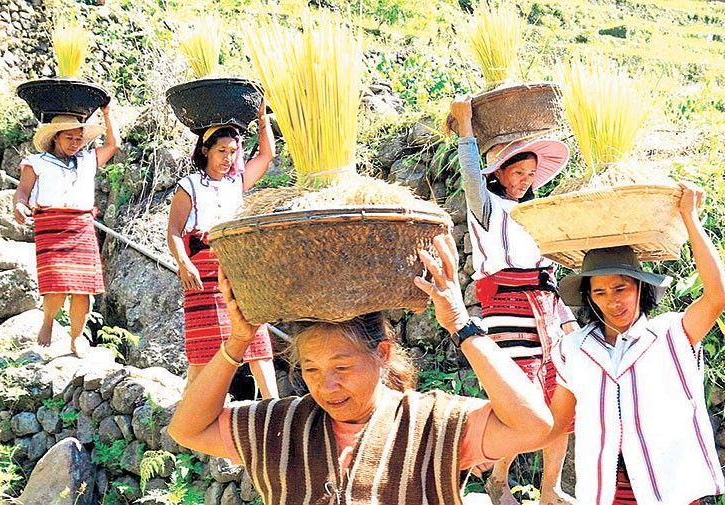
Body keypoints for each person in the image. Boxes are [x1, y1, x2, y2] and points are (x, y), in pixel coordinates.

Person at [168, 234, 555, 504]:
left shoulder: (432, 422)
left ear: (383, 353)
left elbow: (534, 425)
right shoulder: (281, 424)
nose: (327, 385)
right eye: (311, 370)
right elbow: (187, 428)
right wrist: (237, 344)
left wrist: (460, 324)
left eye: (342, 366)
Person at [547, 182, 725, 504]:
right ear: (588, 297)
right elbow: (557, 423)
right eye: (599, 292)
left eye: (621, 289)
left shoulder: (672, 335)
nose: (612, 302)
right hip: (605, 493)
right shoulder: (573, 350)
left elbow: (717, 296)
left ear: (640, 289)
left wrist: (690, 218)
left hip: (669, 491)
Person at [449, 96, 578, 504]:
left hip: (547, 305)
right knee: (518, 394)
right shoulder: (487, 208)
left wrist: (567, 316)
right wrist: (466, 127)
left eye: (530, 174)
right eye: (517, 172)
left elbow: (549, 274)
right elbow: (471, 174)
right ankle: (499, 478)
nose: (524, 180)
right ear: (499, 172)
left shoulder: (533, 213)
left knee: (563, 393)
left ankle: (551, 488)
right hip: (507, 306)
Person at [166, 101, 279, 396]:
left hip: (237, 270)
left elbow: (267, 155)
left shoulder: (235, 184)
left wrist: (261, 116)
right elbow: (175, 231)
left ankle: (274, 404)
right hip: (201, 273)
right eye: (221, 151)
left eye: (232, 152)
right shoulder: (188, 186)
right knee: (203, 349)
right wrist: (183, 263)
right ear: (206, 150)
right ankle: (189, 408)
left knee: (258, 343)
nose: (228, 158)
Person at [13, 103, 119, 357]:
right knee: (58, 283)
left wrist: (107, 113)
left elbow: (114, 144)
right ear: (55, 137)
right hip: (51, 224)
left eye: (78, 138)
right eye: (69, 137)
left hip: (81, 224)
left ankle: (76, 338)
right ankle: (48, 320)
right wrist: (19, 206)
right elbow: (22, 192)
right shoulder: (36, 162)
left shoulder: (86, 160)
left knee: (83, 287)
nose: (74, 143)